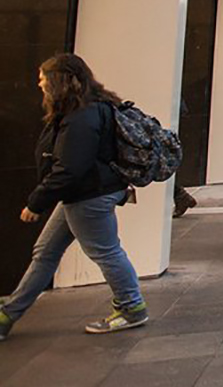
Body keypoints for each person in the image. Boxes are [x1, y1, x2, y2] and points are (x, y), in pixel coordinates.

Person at [1, 54, 148, 340]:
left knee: (105, 252)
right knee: (45, 252)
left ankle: (132, 307)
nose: (40, 84)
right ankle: (9, 313)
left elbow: (70, 168)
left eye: (44, 80)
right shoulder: (91, 107)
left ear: (61, 81)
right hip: (84, 193)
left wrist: (36, 202)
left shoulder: (82, 116)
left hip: (90, 196)